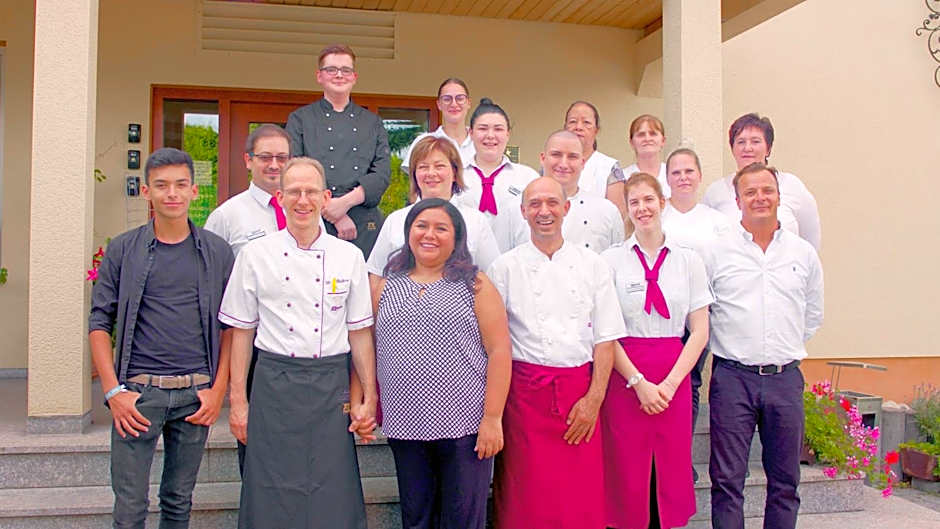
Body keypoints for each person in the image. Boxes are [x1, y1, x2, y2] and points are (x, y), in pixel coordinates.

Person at [219, 157, 378, 529]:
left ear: (325, 198)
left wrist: (369, 395)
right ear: (280, 197)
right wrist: (238, 401)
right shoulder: (255, 255)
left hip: (329, 387)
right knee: (271, 490)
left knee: (331, 492)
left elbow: (359, 333)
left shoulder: (349, 256)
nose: (302, 200)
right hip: (274, 383)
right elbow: (241, 332)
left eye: (310, 192)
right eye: (294, 192)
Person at [88, 147, 235, 529]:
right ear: (146, 192)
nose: (172, 193)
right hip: (138, 396)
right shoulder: (124, 249)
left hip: (195, 394)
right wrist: (112, 392)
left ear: (194, 192)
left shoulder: (216, 252)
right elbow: (99, 322)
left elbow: (231, 326)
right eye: (162, 185)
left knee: (178, 500)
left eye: (180, 185)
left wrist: (218, 390)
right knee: (130, 506)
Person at [487, 177, 626, 529]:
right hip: (523, 400)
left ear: (566, 209)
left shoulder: (593, 265)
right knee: (524, 497)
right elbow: (493, 343)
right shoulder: (504, 268)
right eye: (534, 204)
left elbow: (606, 339)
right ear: (523, 212)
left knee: (578, 498)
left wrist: (594, 400)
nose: (543, 211)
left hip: (578, 394)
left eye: (552, 203)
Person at [373, 198, 512, 529]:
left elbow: (499, 350)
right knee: (416, 517)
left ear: (457, 237)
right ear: (408, 233)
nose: (429, 235)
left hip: (464, 428)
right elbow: (367, 347)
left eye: (441, 228)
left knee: (462, 520)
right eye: (421, 226)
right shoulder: (384, 286)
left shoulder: (475, 285)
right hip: (405, 425)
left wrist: (492, 418)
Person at [704, 162, 824, 529]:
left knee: (785, 482)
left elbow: (812, 313)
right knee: (727, 482)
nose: (760, 198)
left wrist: (778, 350)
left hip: (784, 379)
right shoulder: (716, 251)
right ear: (738, 200)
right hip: (732, 379)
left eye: (766, 191)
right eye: (751, 192)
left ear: (778, 196)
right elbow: (702, 312)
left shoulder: (802, 253)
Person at [600, 172, 712, 529]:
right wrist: (638, 382)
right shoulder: (611, 260)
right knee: (626, 467)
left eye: (649, 200)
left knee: (668, 467)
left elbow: (699, 330)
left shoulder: (687, 260)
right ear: (627, 211)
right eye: (634, 203)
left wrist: (670, 384)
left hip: (672, 376)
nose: (643, 208)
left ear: (662, 203)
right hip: (624, 375)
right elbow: (606, 331)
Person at [203, 123, 291, 476]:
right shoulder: (227, 216)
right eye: (265, 157)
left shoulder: (305, 208)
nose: (274, 165)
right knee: (255, 438)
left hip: (298, 346)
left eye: (282, 157)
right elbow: (211, 283)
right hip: (251, 345)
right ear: (248, 161)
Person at [661, 147, 731, 482]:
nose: (683, 178)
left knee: (689, 384)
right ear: (667, 178)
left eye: (689, 171)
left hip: (700, 318)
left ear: (699, 176)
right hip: (660, 320)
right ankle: (661, 456)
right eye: (676, 172)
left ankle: (680, 458)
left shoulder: (717, 223)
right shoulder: (659, 216)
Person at [286, 44, 391, 257]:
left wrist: (344, 204)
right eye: (331, 70)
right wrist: (335, 215)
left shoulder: (372, 123)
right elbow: (295, 171)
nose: (339, 75)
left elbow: (381, 174)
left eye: (346, 70)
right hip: (315, 220)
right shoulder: (300, 119)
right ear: (320, 76)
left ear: (354, 77)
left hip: (365, 224)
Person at [367, 136, 500, 285]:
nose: (431, 173)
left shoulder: (475, 221)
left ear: (455, 173)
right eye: (423, 167)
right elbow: (376, 274)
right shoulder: (396, 220)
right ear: (415, 175)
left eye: (439, 166)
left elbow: (493, 275)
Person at [702, 112, 821, 252]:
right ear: (733, 149)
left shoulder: (792, 186)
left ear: (768, 149)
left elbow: (810, 243)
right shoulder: (716, 191)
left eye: (755, 141)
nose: (747, 148)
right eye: (741, 142)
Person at [509, 130, 624, 253]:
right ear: (543, 158)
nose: (563, 164)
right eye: (556, 155)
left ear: (582, 163)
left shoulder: (606, 210)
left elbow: (617, 262)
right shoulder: (515, 208)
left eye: (572, 157)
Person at [451, 98, 539, 252]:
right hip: (464, 267)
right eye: (483, 129)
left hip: (515, 267)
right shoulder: (454, 176)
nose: (490, 136)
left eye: (498, 129)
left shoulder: (528, 177)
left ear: (507, 134)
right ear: (471, 133)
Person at [564, 100, 627, 217]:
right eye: (572, 122)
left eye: (586, 122)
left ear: (596, 130)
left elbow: (618, 215)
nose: (578, 127)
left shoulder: (609, 167)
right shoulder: (553, 164)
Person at [401, 78, 475, 174]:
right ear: (439, 104)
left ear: (468, 103)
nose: (453, 104)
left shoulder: (482, 141)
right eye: (447, 99)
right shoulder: (423, 141)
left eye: (460, 98)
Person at [623, 114, 670, 199]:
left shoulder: (673, 174)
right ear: (632, 142)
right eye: (641, 135)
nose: (647, 139)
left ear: (663, 140)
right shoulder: (623, 178)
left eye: (653, 134)